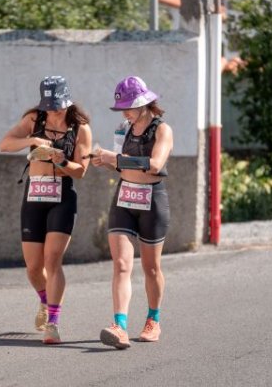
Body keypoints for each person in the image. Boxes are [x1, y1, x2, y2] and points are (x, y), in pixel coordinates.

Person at [0, 76, 92, 344]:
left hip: (62, 195)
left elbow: (81, 171)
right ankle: (43, 299)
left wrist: (61, 160)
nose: (54, 112)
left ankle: (53, 322)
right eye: (50, 107)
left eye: (58, 107)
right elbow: (4, 145)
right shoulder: (33, 119)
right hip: (34, 193)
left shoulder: (80, 128)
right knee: (33, 267)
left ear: (67, 101)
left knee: (52, 260)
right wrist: (33, 142)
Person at [92, 76, 173, 350]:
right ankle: (120, 326)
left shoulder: (162, 130)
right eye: (122, 108)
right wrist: (103, 161)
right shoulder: (122, 129)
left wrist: (114, 159)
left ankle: (153, 319)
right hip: (124, 199)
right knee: (122, 265)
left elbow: (155, 165)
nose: (125, 112)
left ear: (144, 103)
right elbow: (120, 165)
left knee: (151, 268)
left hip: (153, 201)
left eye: (128, 106)